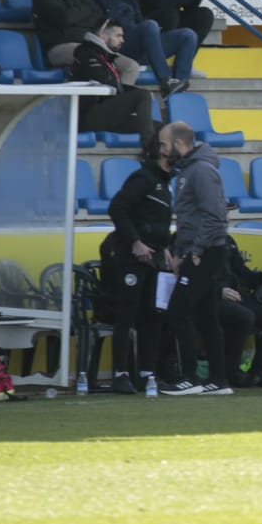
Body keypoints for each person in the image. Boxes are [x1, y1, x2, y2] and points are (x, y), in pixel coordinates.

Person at [158, 122, 230, 395]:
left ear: (178, 144)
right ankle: (218, 380)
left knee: (178, 312)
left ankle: (189, 377)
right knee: (206, 317)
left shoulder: (200, 171)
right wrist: (179, 252)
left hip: (205, 252)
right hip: (201, 250)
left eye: (164, 145)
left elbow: (215, 217)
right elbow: (192, 219)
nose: (162, 151)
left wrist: (196, 252)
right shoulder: (191, 171)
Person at [101, 136, 171, 392]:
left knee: (153, 316)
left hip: (155, 259)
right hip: (131, 259)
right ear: (162, 150)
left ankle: (146, 373)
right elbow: (117, 207)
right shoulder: (143, 178)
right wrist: (135, 242)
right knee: (126, 315)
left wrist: (166, 249)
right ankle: (121, 373)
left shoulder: (165, 183)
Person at [87, 0, 191, 93]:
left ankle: (178, 84)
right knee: (150, 25)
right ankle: (166, 80)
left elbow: (139, 20)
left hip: (139, 44)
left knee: (187, 35)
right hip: (117, 46)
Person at [210, 236, 262, 389]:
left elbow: (244, 273)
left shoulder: (227, 241)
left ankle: (259, 370)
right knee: (244, 316)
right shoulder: (190, 237)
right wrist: (218, 291)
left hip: (238, 297)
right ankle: (231, 371)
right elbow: (189, 278)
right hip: (210, 300)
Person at [69, 22, 157, 144]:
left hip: (105, 116)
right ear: (103, 37)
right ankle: (149, 148)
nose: (123, 40)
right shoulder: (88, 54)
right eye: (118, 36)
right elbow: (107, 84)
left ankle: (161, 158)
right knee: (143, 95)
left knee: (159, 127)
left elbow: (114, 85)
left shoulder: (105, 56)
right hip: (89, 117)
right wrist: (134, 94)